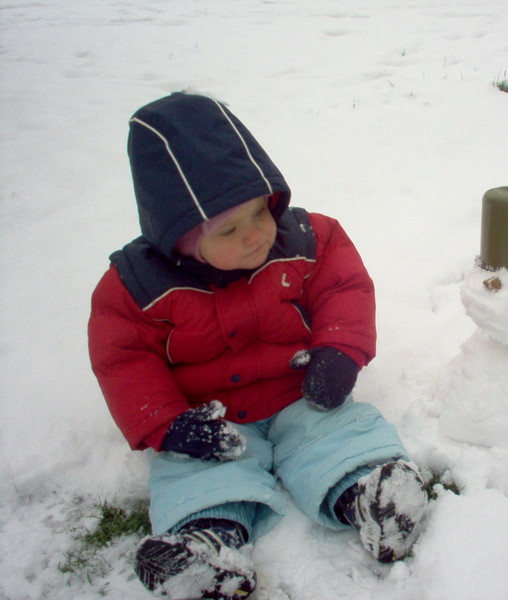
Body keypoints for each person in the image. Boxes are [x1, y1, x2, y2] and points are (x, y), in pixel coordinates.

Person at [88, 92, 428, 600]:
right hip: (211, 421)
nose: (255, 236)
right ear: (176, 236)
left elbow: (344, 288)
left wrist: (340, 350)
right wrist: (168, 425)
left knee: (339, 434)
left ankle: (374, 495)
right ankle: (205, 549)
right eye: (229, 228)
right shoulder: (135, 287)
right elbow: (124, 359)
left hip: (302, 392)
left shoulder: (308, 240)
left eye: (259, 211)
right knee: (195, 475)